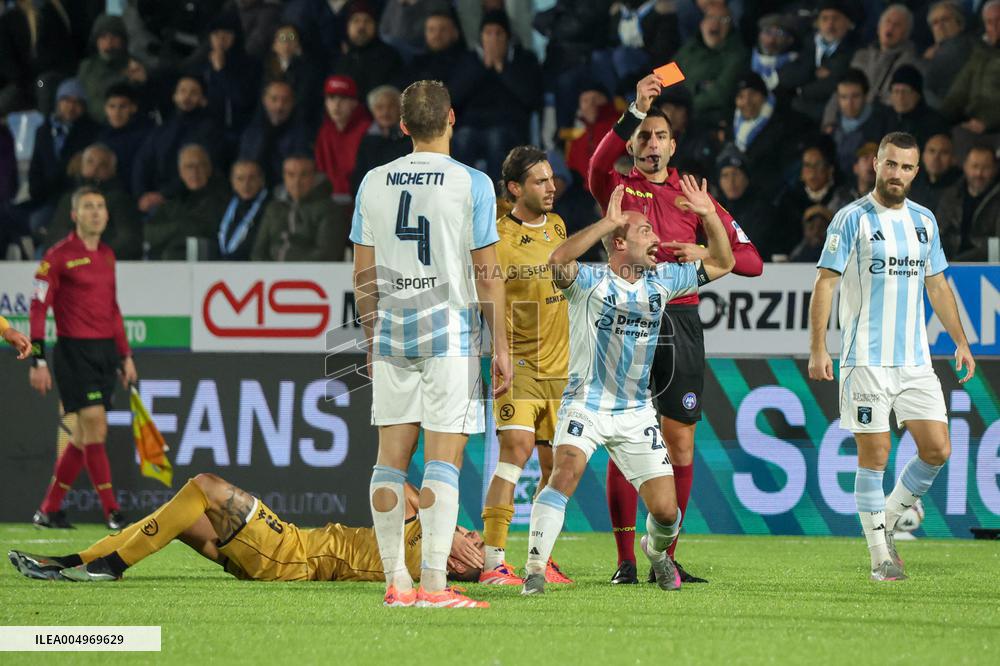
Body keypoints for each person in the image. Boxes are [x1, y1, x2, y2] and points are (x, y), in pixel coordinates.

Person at [588, 74, 763, 585]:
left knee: (679, 444)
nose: (650, 143)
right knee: (625, 437)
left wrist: (707, 240)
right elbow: (597, 164)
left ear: (673, 145)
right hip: (629, 317)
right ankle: (624, 560)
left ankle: (666, 555)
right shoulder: (620, 192)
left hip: (681, 320)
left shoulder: (695, 197)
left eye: (659, 136)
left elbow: (750, 263)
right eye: (643, 136)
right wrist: (633, 111)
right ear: (634, 144)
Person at [521, 181, 735, 596]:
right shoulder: (589, 281)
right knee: (564, 472)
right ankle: (534, 569)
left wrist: (709, 214)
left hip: (636, 411)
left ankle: (656, 554)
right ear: (619, 242)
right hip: (586, 404)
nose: (657, 240)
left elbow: (724, 262)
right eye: (645, 233)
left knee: (667, 513)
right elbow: (557, 259)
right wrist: (607, 222)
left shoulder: (664, 280)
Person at [351, 79, 511, 608]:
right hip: (450, 332)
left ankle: (396, 581)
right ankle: (436, 585)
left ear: (401, 127)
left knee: (389, 461)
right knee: (444, 458)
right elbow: (487, 273)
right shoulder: (474, 184)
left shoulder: (373, 182)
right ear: (451, 119)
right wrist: (502, 345)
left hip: (395, 330)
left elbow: (364, 275)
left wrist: (372, 339)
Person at [808, 131, 976, 581]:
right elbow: (825, 282)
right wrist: (819, 347)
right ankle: (880, 553)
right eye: (890, 164)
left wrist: (960, 341)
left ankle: (886, 512)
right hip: (865, 358)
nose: (896, 173)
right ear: (875, 165)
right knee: (876, 454)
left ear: (915, 172)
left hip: (916, 360)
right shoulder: (851, 219)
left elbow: (937, 284)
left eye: (906, 167)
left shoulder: (924, 220)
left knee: (937, 449)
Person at [10, 473, 486, 584]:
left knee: (204, 486)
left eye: (477, 541)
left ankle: (109, 566)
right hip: (291, 547)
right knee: (179, 515)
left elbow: (394, 482)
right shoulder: (424, 534)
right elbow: (395, 481)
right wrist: (437, 516)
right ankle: (75, 562)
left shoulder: (427, 560)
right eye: (473, 533)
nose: (475, 535)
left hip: (293, 557)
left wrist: (443, 527)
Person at [478, 146, 573, 587]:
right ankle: (493, 562)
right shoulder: (497, 238)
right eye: (540, 181)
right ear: (516, 188)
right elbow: (486, 296)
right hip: (518, 363)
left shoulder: (558, 226)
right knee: (515, 451)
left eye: (551, 179)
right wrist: (498, 350)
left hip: (562, 367)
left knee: (556, 468)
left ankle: (540, 559)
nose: (551, 187)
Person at [29, 186, 137, 531]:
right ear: (75, 215)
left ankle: (49, 510)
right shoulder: (58, 256)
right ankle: (113, 511)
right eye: (88, 207)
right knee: (96, 426)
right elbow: (38, 305)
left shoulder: (107, 255)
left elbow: (113, 309)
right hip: (74, 351)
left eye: (101, 206)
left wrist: (125, 355)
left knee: (82, 436)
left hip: (105, 352)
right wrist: (38, 359)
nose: (96, 212)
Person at [449, 10, 543, 181]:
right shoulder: (468, 60)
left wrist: (502, 68)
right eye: (488, 33)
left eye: (499, 33)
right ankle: (461, 196)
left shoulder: (525, 59)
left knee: (496, 139)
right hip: (472, 123)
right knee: (463, 138)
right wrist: (482, 67)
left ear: (508, 37)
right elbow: (454, 97)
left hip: (509, 125)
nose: (493, 39)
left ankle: (498, 199)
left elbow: (532, 98)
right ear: (481, 37)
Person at [46, 144, 142, 259]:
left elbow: (128, 239)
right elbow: (55, 235)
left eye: (103, 165)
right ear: (82, 166)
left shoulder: (120, 200)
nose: (95, 169)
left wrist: (97, 256)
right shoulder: (68, 199)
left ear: (112, 171)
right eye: (90, 162)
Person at [252, 154, 349, 261]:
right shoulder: (274, 208)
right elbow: (258, 251)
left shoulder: (331, 210)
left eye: (304, 175)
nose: (297, 181)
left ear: (314, 176)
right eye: (291, 175)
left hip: (314, 275)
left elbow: (327, 254)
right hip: (271, 275)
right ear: (284, 177)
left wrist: (290, 268)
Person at [778, 1, 859, 124]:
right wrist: (814, 73)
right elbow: (786, 76)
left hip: (825, 115)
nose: (830, 24)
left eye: (835, 19)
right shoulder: (808, 44)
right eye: (825, 19)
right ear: (817, 23)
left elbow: (834, 86)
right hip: (797, 111)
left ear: (848, 23)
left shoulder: (854, 51)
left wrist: (801, 90)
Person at [145, 144, 230, 261]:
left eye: (200, 166)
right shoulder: (173, 198)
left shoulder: (221, 197)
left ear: (209, 169)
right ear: (181, 172)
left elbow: (202, 229)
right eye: (189, 167)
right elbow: (148, 233)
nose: (195, 172)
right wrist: (179, 227)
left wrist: (170, 232)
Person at [673, 2, 748, 127]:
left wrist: (685, 105)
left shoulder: (736, 55)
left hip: (704, 120)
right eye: (711, 17)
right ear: (702, 24)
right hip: (675, 108)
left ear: (731, 26)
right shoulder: (691, 47)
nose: (715, 23)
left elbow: (719, 94)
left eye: (723, 19)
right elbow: (663, 79)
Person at [238, 80, 312, 188]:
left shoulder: (302, 134)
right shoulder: (252, 133)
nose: (279, 106)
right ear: (264, 100)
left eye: (285, 100)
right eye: (274, 99)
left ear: (293, 103)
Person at [935, 145, 1000, 260]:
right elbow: (938, 233)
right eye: (975, 166)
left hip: (987, 266)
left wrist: (961, 260)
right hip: (948, 263)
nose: (979, 173)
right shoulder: (950, 196)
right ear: (965, 166)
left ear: (995, 169)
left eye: (986, 168)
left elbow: (995, 244)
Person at [314, 75, 371, 203]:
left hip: (359, 200)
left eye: (343, 98)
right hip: (328, 201)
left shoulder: (367, 130)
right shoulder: (325, 131)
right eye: (331, 98)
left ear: (355, 102)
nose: (336, 105)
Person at [351, 86, 411, 195]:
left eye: (391, 106)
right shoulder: (366, 141)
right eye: (379, 107)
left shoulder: (411, 139)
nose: (385, 112)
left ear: (400, 109)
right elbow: (359, 179)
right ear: (372, 110)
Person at [218, 160, 269, 261]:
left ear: (261, 180)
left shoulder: (269, 207)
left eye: (252, 178)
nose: (246, 184)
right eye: (240, 179)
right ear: (232, 182)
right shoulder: (224, 204)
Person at [908, 133, 961, 210]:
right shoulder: (911, 183)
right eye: (932, 151)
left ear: (953, 159)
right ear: (923, 156)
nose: (936, 157)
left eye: (944, 152)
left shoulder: (959, 190)